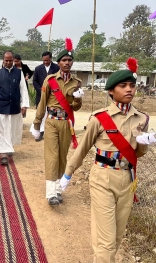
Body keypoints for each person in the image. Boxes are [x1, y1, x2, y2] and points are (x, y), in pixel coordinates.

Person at [60, 57, 153, 263]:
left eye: (132, 85)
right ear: (111, 91)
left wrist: (144, 143)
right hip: (103, 178)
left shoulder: (142, 119)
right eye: (123, 86)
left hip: (127, 180)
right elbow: (82, 149)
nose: (129, 89)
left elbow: (137, 155)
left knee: (117, 237)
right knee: (106, 242)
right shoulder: (99, 118)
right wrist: (68, 173)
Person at [31, 38, 84, 206]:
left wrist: (77, 99)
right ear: (59, 63)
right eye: (64, 60)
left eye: (69, 60)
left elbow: (75, 108)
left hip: (67, 123)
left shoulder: (77, 83)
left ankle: (59, 189)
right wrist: (37, 124)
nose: (67, 63)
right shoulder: (50, 80)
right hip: (52, 121)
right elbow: (42, 102)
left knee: (62, 157)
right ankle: (51, 193)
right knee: (52, 156)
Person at [0, 51, 29, 165]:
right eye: (6, 60)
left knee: (12, 128)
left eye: (10, 60)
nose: (8, 62)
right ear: (3, 60)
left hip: (14, 106)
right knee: (1, 129)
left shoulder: (19, 73)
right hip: (1, 107)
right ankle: (3, 153)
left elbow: (23, 89)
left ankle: (9, 147)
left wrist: (24, 105)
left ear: (13, 60)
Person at [32, 51, 60, 141]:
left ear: (51, 59)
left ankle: (53, 133)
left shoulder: (57, 68)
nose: (45, 62)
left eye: (47, 60)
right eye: (44, 60)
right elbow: (35, 81)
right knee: (41, 114)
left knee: (53, 114)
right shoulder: (37, 69)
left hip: (53, 96)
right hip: (41, 96)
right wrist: (41, 90)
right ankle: (39, 133)